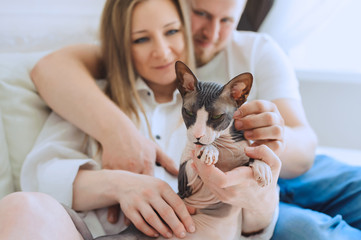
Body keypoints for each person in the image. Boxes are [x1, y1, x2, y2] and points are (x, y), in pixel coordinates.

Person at [29, 0, 361, 239]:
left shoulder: (256, 50)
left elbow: (302, 151)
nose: (212, 33)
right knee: (313, 230)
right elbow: (49, 72)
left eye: (227, 20)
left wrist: (263, 144)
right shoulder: (109, 86)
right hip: (227, 199)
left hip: (268, 169)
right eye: (201, 14)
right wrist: (118, 140)